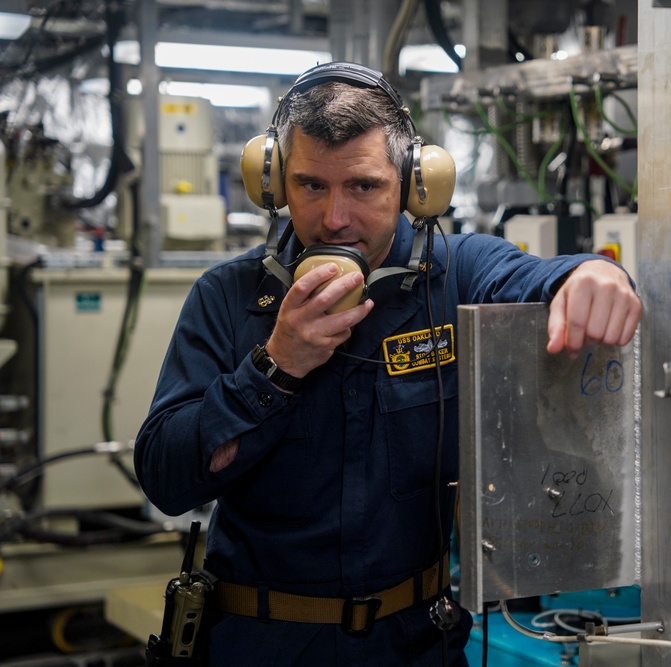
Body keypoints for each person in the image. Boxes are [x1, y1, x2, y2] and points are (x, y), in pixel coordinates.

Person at [134, 62, 642, 666]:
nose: (334, 218)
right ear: (273, 183)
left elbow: (541, 277)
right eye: (310, 186)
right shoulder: (228, 297)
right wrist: (274, 366)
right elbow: (166, 480)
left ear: (412, 184)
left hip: (415, 643)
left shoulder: (459, 274)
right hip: (263, 642)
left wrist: (597, 274)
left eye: (363, 187)